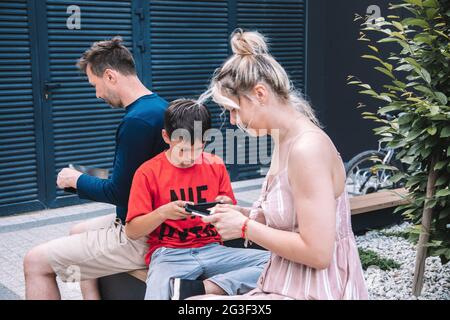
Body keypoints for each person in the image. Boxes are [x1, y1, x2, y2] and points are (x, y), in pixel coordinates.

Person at [190, 29, 368, 300]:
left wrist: (244, 227)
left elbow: (318, 253)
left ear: (260, 93)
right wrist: (246, 213)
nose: (234, 121)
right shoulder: (285, 140)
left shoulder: (307, 148)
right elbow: (296, 218)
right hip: (286, 283)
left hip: (315, 291)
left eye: (234, 109)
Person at [23, 37, 168, 300]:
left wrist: (76, 180)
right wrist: (90, 176)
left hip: (144, 233)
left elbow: (119, 193)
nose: (97, 94)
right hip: (157, 217)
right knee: (77, 232)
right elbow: (137, 176)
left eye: (95, 85)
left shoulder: (136, 121)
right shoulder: (159, 107)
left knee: (34, 262)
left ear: (110, 76)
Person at [125, 99, 270, 300]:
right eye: (182, 150)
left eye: (197, 149)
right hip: (169, 254)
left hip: (213, 249)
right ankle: (201, 288)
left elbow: (230, 225)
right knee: (156, 294)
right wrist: (163, 213)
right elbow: (132, 231)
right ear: (166, 137)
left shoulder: (215, 165)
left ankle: (206, 288)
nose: (190, 158)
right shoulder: (147, 173)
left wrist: (229, 208)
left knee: (275, 263)